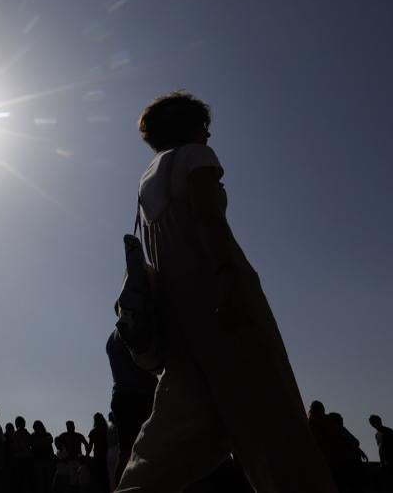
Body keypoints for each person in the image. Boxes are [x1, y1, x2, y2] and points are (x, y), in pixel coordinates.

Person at [115, 92, 336, 493]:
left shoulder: (147, 179)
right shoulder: (194, 157)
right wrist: (227, 274)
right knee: (271, 412)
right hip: (219, 297)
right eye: (203, 125)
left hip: (180, 316)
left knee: (174, 431)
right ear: (190, 127)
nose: (209, 132)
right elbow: (208, 216)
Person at [107, 328, 158, 487]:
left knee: (125, 451)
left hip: (121, 396)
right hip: (138, 395)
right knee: (152, 446)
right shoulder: (130, 328)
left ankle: (120, 488)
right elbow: (147, 360)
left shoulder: (111, 339)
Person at [369, 415, 393, 491]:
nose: (374, 424)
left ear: (380, 421)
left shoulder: (389, 431)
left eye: (375, 421)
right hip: (387, 463)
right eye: (372, 422)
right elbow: (381, 449)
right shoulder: (377, 435)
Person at [87, 413, 109, 492]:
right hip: (106, 456)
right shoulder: (107, 430)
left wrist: (87, 456)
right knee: (106, 478)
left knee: (98, 478)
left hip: (98, 456)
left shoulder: (93, 431)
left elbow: (90, 446)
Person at [31, 420, 55, 493]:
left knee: (47, 481)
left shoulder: (46, 434)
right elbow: (33, 444)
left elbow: (50, 440)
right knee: (41, 482)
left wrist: (39, 442)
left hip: (46, 461)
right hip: (39, 461)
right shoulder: (33, 436)